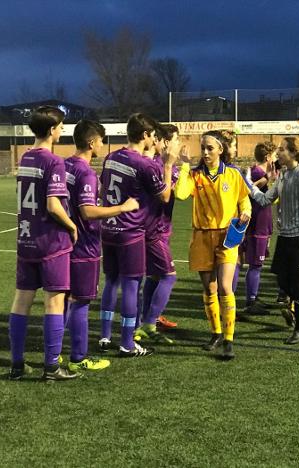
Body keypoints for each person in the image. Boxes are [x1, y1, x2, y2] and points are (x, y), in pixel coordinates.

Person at [8, 105, 80, 381]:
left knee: (21, 301)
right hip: (50, 242)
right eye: (61, 126)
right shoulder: (54, 162)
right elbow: (53, 205)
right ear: (51, 130)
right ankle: (51, 366)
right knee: (54, 303)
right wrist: (72, 225)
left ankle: (17, 365)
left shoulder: (26, 158)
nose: (62, 130)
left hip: (25, 239)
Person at [64, 120, 140, 371]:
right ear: (91, 142)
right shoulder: (85, 172)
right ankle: (79, 356)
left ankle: (54, 352)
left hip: (64, 243)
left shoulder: (65, 165)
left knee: (63, 301)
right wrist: (122, 208)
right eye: (100, 140)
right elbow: (87, 211)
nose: (102, 144)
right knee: (81, 301)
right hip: (84, 246)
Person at [98, 113, 175, 357]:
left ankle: (105, 335)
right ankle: (128, 343)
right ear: (145, 136)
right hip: (130, 231)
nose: (155, 140)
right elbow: (164, 196)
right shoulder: (144, 164)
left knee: (111, 281)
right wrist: (169, 164)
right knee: (132, 285)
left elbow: (103, 188)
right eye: (153, 136)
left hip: (108, 228)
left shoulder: (112, 157)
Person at [175, 130, 251, 360]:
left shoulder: (233, 174)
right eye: (203, 148)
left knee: (225, 287)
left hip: (227, 236)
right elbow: (180, 194)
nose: (206, 152)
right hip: (201, 237)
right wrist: (185, 166)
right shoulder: (195, 175)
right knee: (209, 288)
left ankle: (229, 339)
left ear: (221, 149)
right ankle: (215, 332)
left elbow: (243, 200)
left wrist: (246, 212)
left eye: (210, 148)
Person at [249, 137, 299, 344]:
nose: (278, 153)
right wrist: (249, 186)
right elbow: (266, 199)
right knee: (283, 282)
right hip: (285, 238)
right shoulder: (284, 175)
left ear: (294, 153)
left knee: (297, 284)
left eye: (283, 150)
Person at [134, 123, 182, 344]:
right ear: (163, 142)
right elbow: (165, 194)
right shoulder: (155, 166)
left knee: (153, 276)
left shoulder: (160, 164)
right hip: (154, 230)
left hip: (158, 227)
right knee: (169, 277)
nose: (178, 144)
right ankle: (149, 323)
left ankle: (145, 321)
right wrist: (171, 167)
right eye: (175, 140)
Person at [242, 141, 277, 315]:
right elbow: (247, 189)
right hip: (257, 225)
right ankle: (251, 301)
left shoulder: (262, 172)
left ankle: (254, 297)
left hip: (263, 224)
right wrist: (267, 179)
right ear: (269, 157)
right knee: (255, 265)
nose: (276, 158)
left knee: (258, 264)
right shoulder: (257, 172)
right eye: (275, 155)